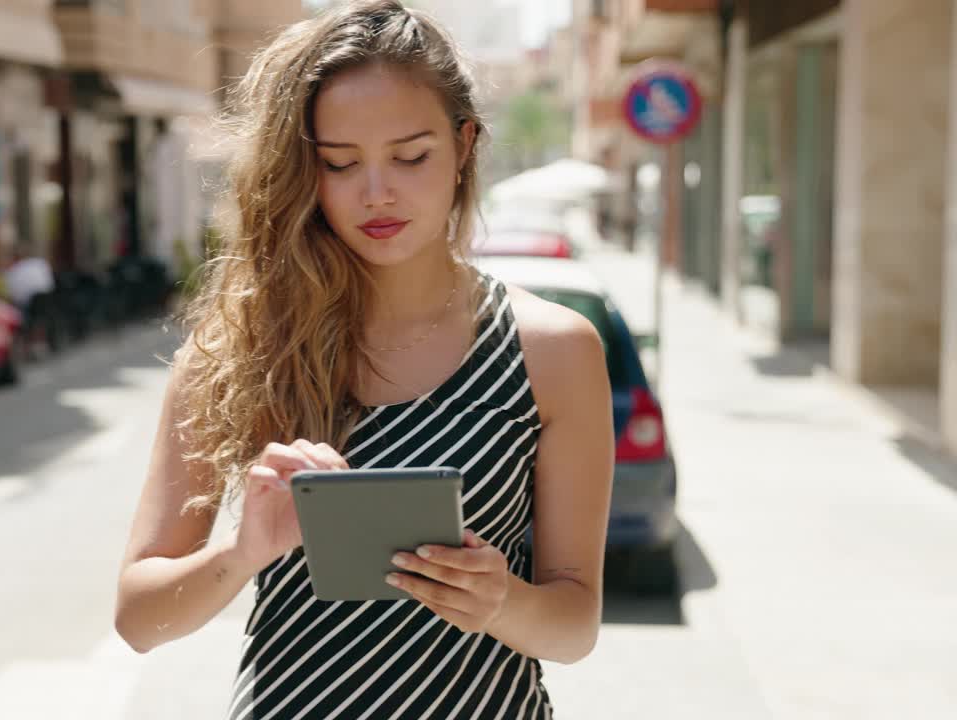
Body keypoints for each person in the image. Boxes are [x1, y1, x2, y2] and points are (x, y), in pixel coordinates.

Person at [115, 2, 614, 718]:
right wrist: (243, 551)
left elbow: (574, 628)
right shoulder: (236, 350)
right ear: (301, 170)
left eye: (411, 156)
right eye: (339, 164)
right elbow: (139, 619)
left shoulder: (555, 352)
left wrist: (501, 600)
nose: (377, 192)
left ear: (464, 142)